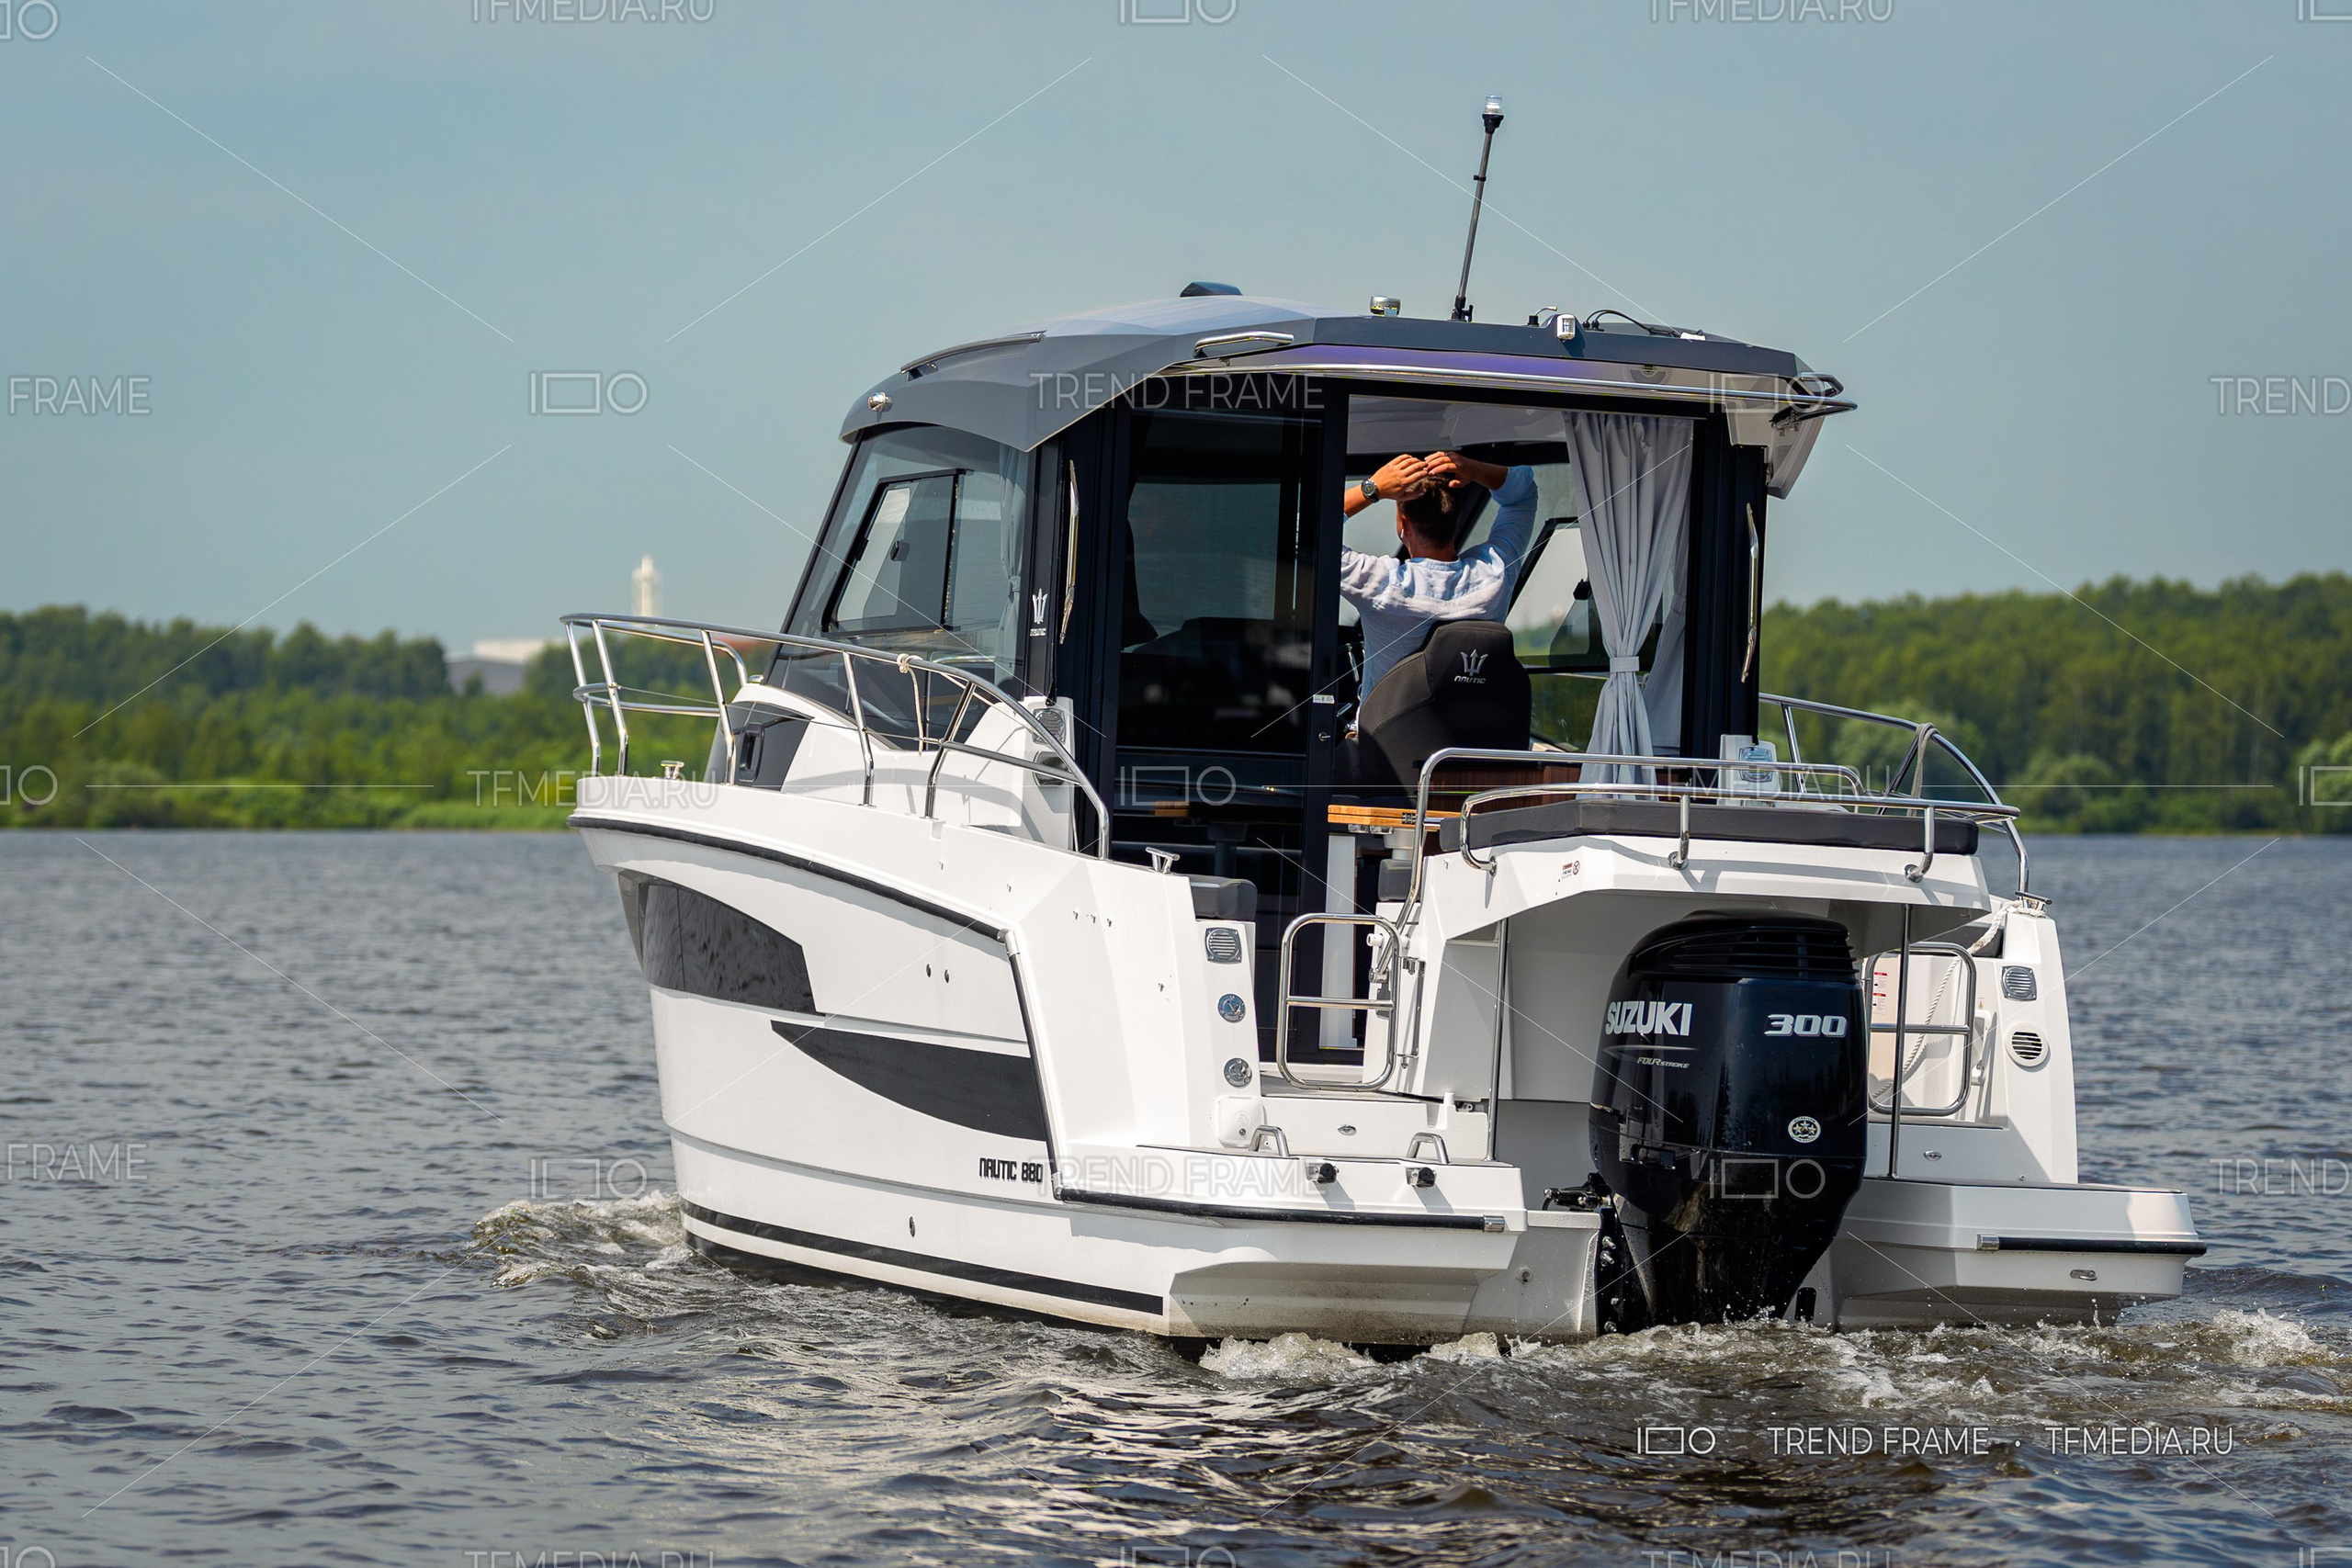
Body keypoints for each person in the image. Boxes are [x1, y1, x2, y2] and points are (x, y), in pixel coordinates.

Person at [1340, 450, 1539, 702]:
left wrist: (1373, 488)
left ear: (1404, 525)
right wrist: (1472, 468)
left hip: (1386, 740)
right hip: (1469, 740)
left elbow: (1307, 531)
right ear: (1455, 520)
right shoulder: (1494, 574)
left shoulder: (1384, 586)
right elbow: (1523, 494)